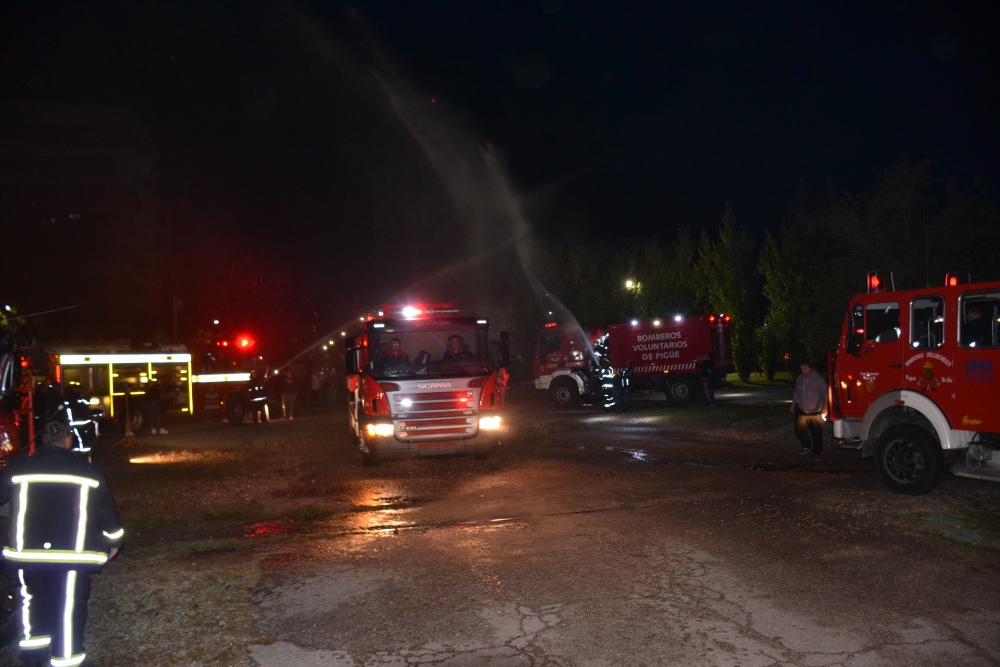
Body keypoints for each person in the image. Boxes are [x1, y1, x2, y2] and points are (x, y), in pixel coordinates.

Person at [0, 418, 124, 667]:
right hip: (71, 556)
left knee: (32, 602)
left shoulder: (19, 468)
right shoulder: (88, 472)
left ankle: (33, 656)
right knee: (67, 607)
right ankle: (66, 660)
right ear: (68, 440)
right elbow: (105, 512)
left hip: (29, 555)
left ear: (43, 441)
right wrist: (115, 540)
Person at [790, 359, 827, 461]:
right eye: (801, 368)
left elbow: (825, 394)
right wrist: (793, 404)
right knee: (798, 429)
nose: (802, 370)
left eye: (805, 368)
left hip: (815, 411)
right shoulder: (800, 378)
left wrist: (825, 407)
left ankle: (817, 453)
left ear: (810, 368)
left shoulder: (818, 379)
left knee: (816, 433)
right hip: (802, 409)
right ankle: (806, 446)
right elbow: (797, 392)